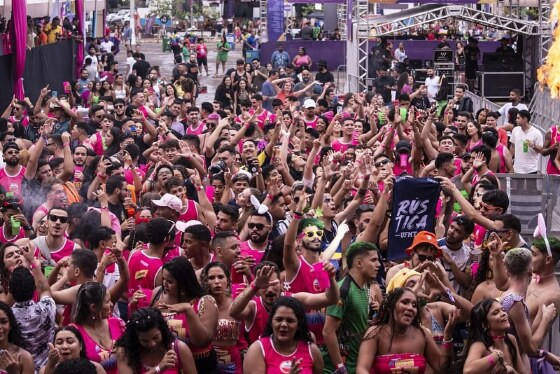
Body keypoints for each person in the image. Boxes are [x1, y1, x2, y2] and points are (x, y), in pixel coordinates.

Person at [355, 288, 458, 374]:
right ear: (391, 307)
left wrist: (448, 335)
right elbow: (362, 369)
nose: (410, 308)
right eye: (405, 302)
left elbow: (441, 368)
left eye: (414, 305)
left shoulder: (423, 334)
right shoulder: (375, 333)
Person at [322, 242, 380, 374]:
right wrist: (340, 368)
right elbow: (328, 332)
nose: (378, 265)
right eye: (373, 260)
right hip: (337, 369)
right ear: (359, 263)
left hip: (356, 365)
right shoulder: (343, 290)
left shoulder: (365, 287)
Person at [243, 297, 324, 374]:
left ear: (298, 324)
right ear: (271, 322)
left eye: (290, 321)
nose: (284, 324)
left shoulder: (312, 351)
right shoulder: (257, 350)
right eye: (279, 319)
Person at [115, 308, 197, 374]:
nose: (152, 344)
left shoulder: (179, 348)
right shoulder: (125, 352)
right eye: (145, 341)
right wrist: (159, 368)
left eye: (155, 337)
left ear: (162, 330)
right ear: (135, 339)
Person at [71, 282, 125, 374]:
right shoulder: (74, 333)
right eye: (108, 301)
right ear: (93, 307)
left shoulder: (118, 323)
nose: (112, 305)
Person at [463, 299, 525, 374]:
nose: (503, 314)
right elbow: (468, 370)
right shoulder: (480, 345)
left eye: (503, 310)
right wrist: (496, 355)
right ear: (485, 324)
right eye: (496, 313)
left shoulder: (511, 339)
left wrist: (511, 371)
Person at [39, 326, 107, 374]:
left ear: (80, 345)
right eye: (59, 343)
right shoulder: (46, 370)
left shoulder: (96, 367)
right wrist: (50, 366)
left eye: (70, 341)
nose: (64, 346)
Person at [510, 110, 543, 174]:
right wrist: (509, 161)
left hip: (531, 169)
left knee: (531, 184)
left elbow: (541, 150)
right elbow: (512, 146)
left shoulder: (536, 133)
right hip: (517, 168)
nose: (516, 120)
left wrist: (533, 145)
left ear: (525, 119)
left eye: (518, 118)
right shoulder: (515, 130)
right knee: (516, 184)